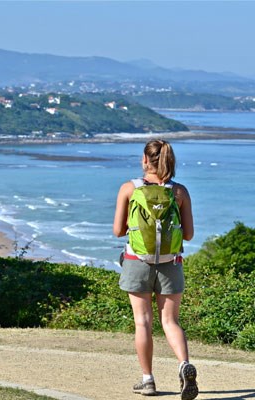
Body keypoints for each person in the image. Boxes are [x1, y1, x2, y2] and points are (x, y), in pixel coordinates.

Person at [113, 139, 198, 400]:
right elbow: (190, 235)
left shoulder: (129, 188)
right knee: (170, 321)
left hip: (137, 261)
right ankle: (184, 364)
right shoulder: (179, 192)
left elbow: (118, 231)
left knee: (143, 322)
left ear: (145, 160)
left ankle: (147, 380)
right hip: (171, 264)